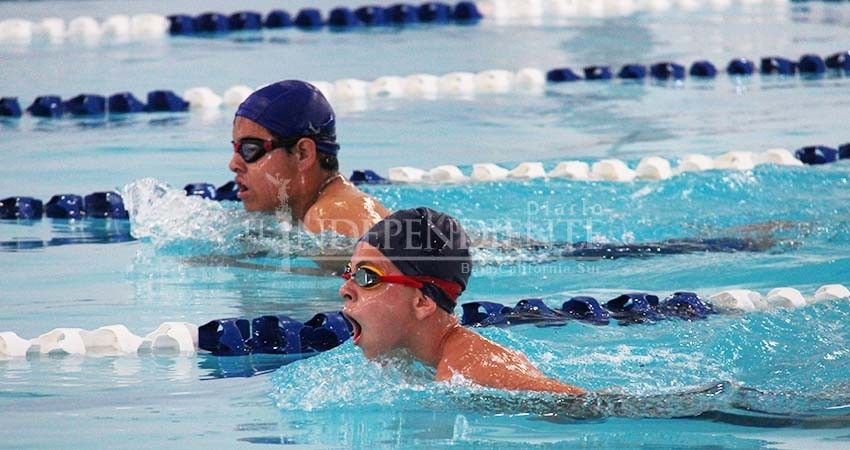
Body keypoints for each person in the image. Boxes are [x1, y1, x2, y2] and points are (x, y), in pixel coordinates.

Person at [339, 207, 586, 395]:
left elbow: (595, 406)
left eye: (366, 276)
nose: (345, 290)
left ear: (422, 302)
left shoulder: (473, 371)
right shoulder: (415, 360)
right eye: (349, 273)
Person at [229, 80, 390, 239]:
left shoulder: (330, 215)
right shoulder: (320, 212)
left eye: (250, 149)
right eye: (235, 148)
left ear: (303, 153)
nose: (233, 164)